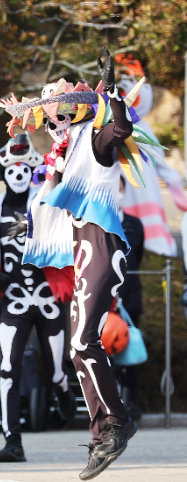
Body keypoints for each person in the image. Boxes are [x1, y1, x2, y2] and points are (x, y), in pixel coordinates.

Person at [0, 48, 164, 480]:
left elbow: (120, 129)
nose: (55, 125)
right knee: (78, 347)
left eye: (61, 117)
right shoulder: (63, 157)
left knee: (84, 341)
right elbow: (49, 202)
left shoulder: (94, 138)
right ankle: (105, 429)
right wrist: (30, 228)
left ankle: (115, 425)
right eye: (49, 120)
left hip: (103, 245)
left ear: (78, 114)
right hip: (81, 249)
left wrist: (115, 96)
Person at [0, 133, 76, 463]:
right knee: (8, 369)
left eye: (27, 168)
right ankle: (13, 441)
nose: (21, 174)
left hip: (48, 298)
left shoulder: (49, 205)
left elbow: (71, 240)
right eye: (14, 169)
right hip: (14, 300)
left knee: (54, 370)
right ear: (5, 173)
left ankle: (62, 388)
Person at [114, 176, 144, 419]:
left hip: (130, 295)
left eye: (119, 187)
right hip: (105, 295)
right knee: (105, 350)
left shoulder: (135, 224)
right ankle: (111, 402)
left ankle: (132, 401)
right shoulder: (98, 224)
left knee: (131, 348)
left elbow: (138, 256)